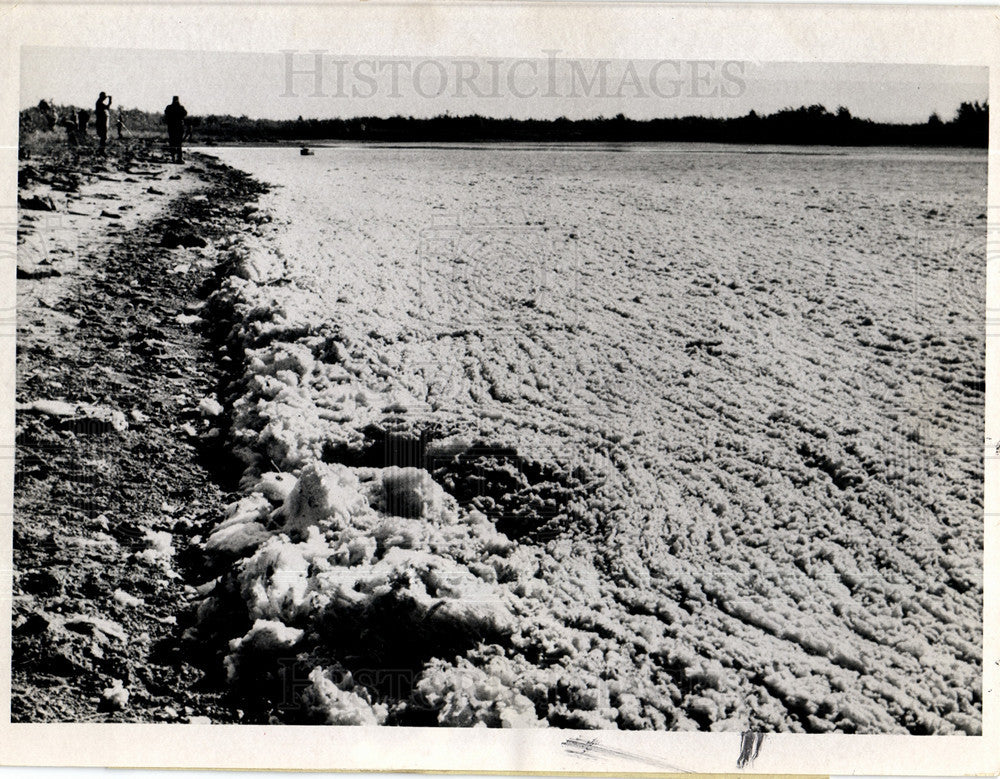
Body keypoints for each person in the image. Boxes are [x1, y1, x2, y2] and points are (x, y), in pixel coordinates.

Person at [164, 96, 187, 163]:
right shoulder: (180, 107)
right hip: (179, 128)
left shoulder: (169, 107)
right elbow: (185, 113)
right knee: (178, 143)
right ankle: (179, 158)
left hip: (172, 127)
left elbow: (166, 113)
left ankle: (173, 157)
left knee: (172, 142)